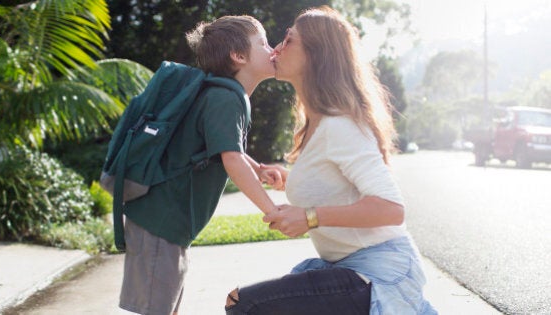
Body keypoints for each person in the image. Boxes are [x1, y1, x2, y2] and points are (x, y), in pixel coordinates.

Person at [225, 6, 437, 315]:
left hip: (377, 275)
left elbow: (391, 209)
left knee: (246, 305)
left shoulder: (340, 126)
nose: (278, 48)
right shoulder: (318, 125)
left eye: (289, 39)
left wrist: (309, 217)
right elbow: (336, 186)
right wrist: (288, 180)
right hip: (352, 270)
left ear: (316, 54)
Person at [119, 15, 281, 315]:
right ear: (239, 56)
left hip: (164, 220)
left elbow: (226, 148)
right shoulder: (225, 97)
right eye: (264, 43)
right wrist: (271, 209)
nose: (272, 49)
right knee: (157, 310)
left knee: (164, 306)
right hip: (160, 220)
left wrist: (257, 168)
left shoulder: (224, 94)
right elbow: (231, 158)